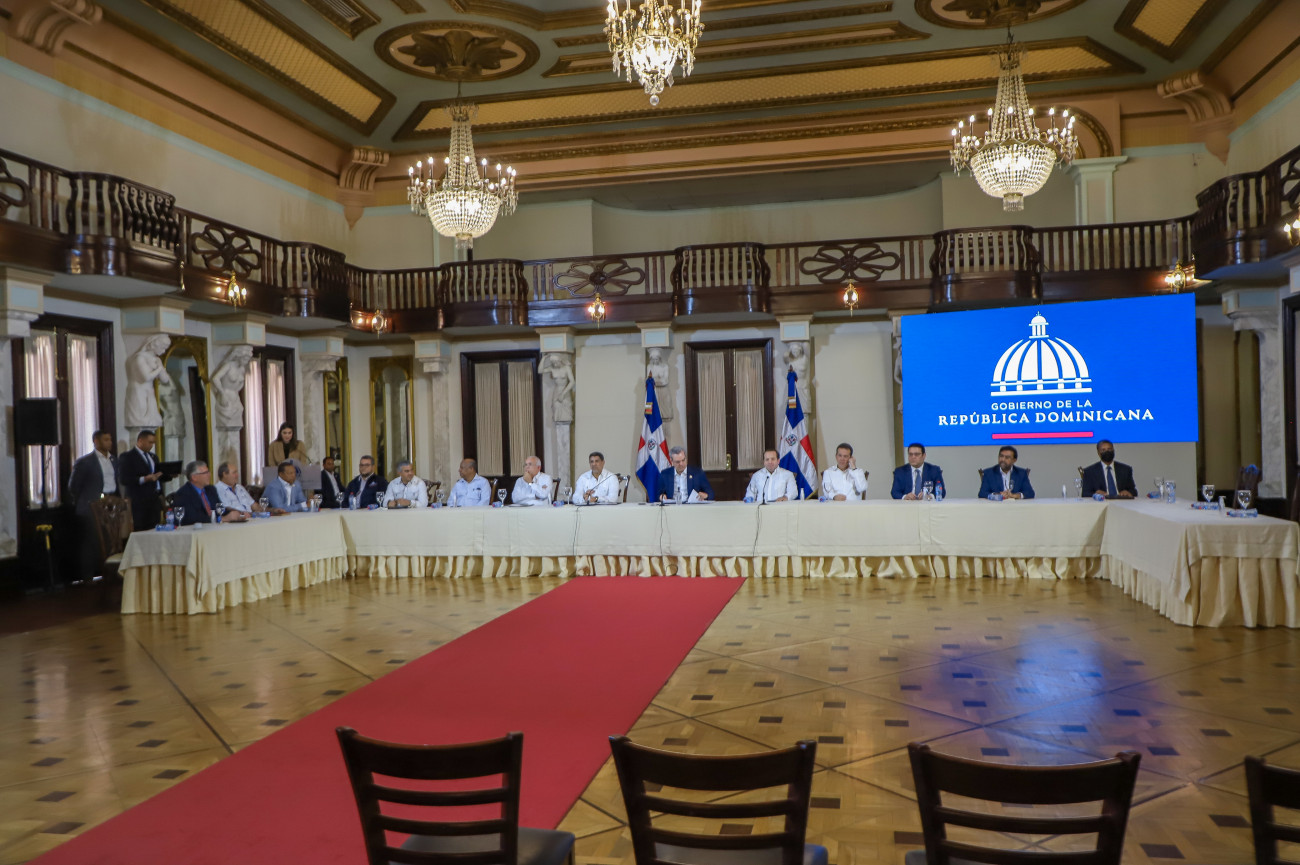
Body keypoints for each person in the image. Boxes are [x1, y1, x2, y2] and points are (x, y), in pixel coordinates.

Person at [68, 429, 120, 581]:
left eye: (110, 440)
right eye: (106, 440)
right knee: (91, 540)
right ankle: (88, 576)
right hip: (92, 505)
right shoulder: (85, 462)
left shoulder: (114, 460)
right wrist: (88, 498)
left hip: (111, 504)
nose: (109, 443)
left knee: (110, 539)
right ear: (96, 441)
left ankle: (110, 573)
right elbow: (73, 486)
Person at [120, 430, 167, 530]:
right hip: (139, 503)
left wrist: (168, 475)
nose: (152, 446)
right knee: (140, 530)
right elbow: (124, 479)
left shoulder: (153, 457)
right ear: (140, 440)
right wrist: (144, 479)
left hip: (154, 501)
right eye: (150, 442)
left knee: (155, 530)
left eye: (153, 443)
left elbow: (156, 476)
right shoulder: (127, 457)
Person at [171, 461, 223, 525]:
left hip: (215, 528)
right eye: (205, 473)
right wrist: (219, 519)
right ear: (194, 477)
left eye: (208, 472)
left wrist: (232, 513)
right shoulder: (183, 494)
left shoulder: (211, 489)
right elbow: (193, 518)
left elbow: (219, 509)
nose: (209, 475)